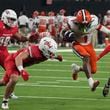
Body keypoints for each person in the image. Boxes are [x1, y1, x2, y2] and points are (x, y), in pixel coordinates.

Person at [0, 36, 63, 109]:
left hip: (19, 64)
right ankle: (5, 101)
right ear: (43, 49)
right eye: (50, 52)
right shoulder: (33, 51)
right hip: (12, 61)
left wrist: (57, 57)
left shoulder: (44, 52)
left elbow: (49, 55)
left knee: (4, 82)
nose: (51, 54)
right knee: (14, 79)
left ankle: (8, 94)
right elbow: (18, 58)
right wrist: (22, 70)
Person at [61, 9, 110, 92]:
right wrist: (68, 36)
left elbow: (100, 27)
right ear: (77, 21)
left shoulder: (94, 21)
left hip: (89, 45)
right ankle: (91, 83)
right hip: (77, 44)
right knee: (86, 57)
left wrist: (108, 32)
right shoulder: (71, 23)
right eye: (82, 24)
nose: (84, 26)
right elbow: (63, 33)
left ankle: (76, 68)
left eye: (86, 24)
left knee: (93, 70)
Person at [0, 9, 38, 99]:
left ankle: (10, 91)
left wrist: (29, 38)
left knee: (13, 71)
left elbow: (20, 38)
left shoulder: (13, 28)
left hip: (3, 51)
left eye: (13, 20)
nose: (12, 21)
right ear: (4, 18)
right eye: (10, 19)